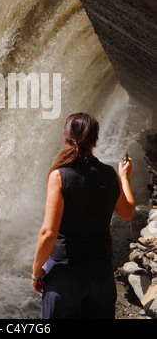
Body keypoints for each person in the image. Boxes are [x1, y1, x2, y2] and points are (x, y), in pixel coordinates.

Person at [32, 112, 135, 319]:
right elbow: (127, 212)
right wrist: (124, 178)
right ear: (95, 142)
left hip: (65, 274)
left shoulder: (59, 176)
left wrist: (36, 273)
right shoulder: (109, 174)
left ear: (65, 139)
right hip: (101, 275)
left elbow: (48, 233)